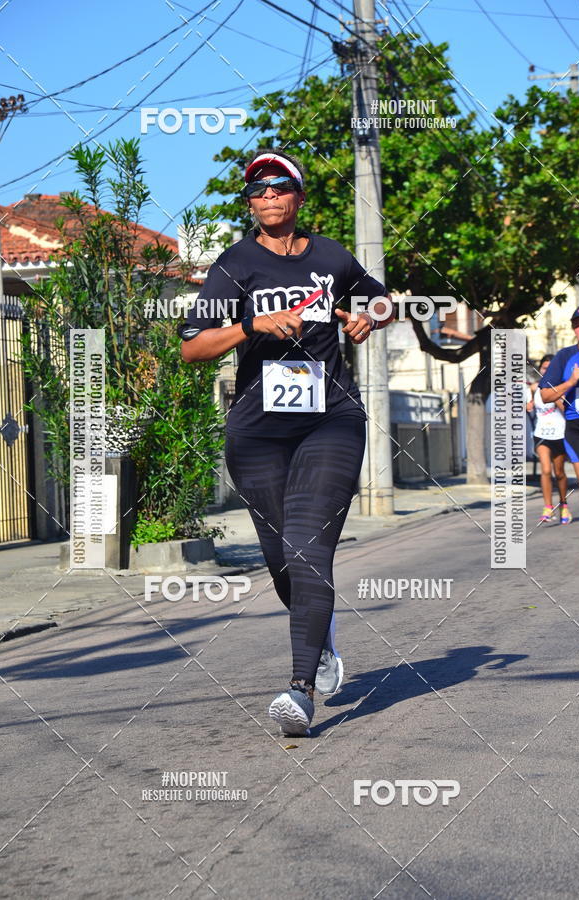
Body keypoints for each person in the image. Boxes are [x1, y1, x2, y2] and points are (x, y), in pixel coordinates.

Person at [179, 148, 394, 734]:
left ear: (299, 197)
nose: (268, 196)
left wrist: (368, 315)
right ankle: (321, 636)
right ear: (249, 204)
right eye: (257, 191)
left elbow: (381, 297)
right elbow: (192, 346)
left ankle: (299, 691)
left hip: (330, 418)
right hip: (258, 430)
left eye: (279, 187)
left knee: (307, 545)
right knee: (279, 559)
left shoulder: (330, 256)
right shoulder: (234, 265)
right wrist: (252, 324)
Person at [539, 305, 579, 565]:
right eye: (577, 324)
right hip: (575, 430)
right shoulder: (565, 357)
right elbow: (545, 395)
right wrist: (570, 383)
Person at [526, 354, 571, 524]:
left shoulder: (562, 388)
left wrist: (559, 399)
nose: (547, 370)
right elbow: (532, 405)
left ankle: (564, 504)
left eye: (550, 368)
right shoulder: (535, 388)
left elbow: (567, 411)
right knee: (546, 470)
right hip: (541, 434)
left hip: (559, 434)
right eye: (544, 368)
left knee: (559, 473)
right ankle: (547, 507)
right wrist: (528, 406)